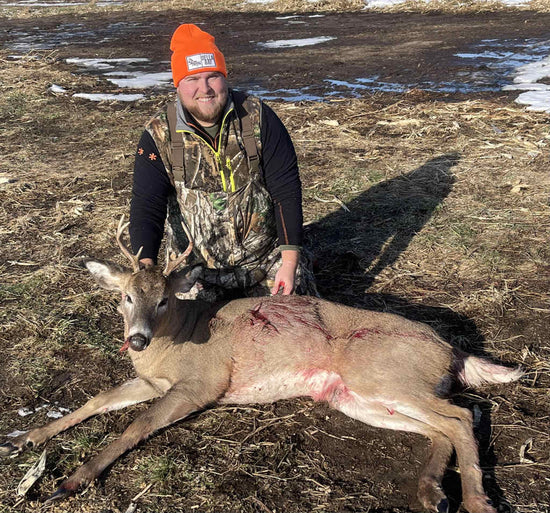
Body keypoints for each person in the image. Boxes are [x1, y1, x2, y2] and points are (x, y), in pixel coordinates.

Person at [129, 23, 317, 300]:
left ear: (224, 78)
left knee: (294, 325)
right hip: (194, 274)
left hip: (263, 264)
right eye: (192, 79)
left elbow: (286, 191)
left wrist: (288, 264)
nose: (204, 89)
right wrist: (145, 271)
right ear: (178, 85)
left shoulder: (258, 118)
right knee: (190, 336)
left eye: (212, 76)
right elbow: (147, 205)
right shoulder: (158, 134)